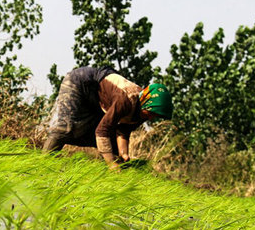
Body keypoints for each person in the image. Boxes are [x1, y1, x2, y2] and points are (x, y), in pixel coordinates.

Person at [43, 66, 173, 171]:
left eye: (155, 116)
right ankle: (42, 165)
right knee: (64, 128)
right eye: (151, 113)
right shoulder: (125, 101)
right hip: (80, 83)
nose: (150, 117)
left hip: (98, 99)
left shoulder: (142, 111)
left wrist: (124, 154)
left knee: (113, 148)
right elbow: (101, 131)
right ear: (147, 102)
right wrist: (112, 165)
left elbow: (122, 130)